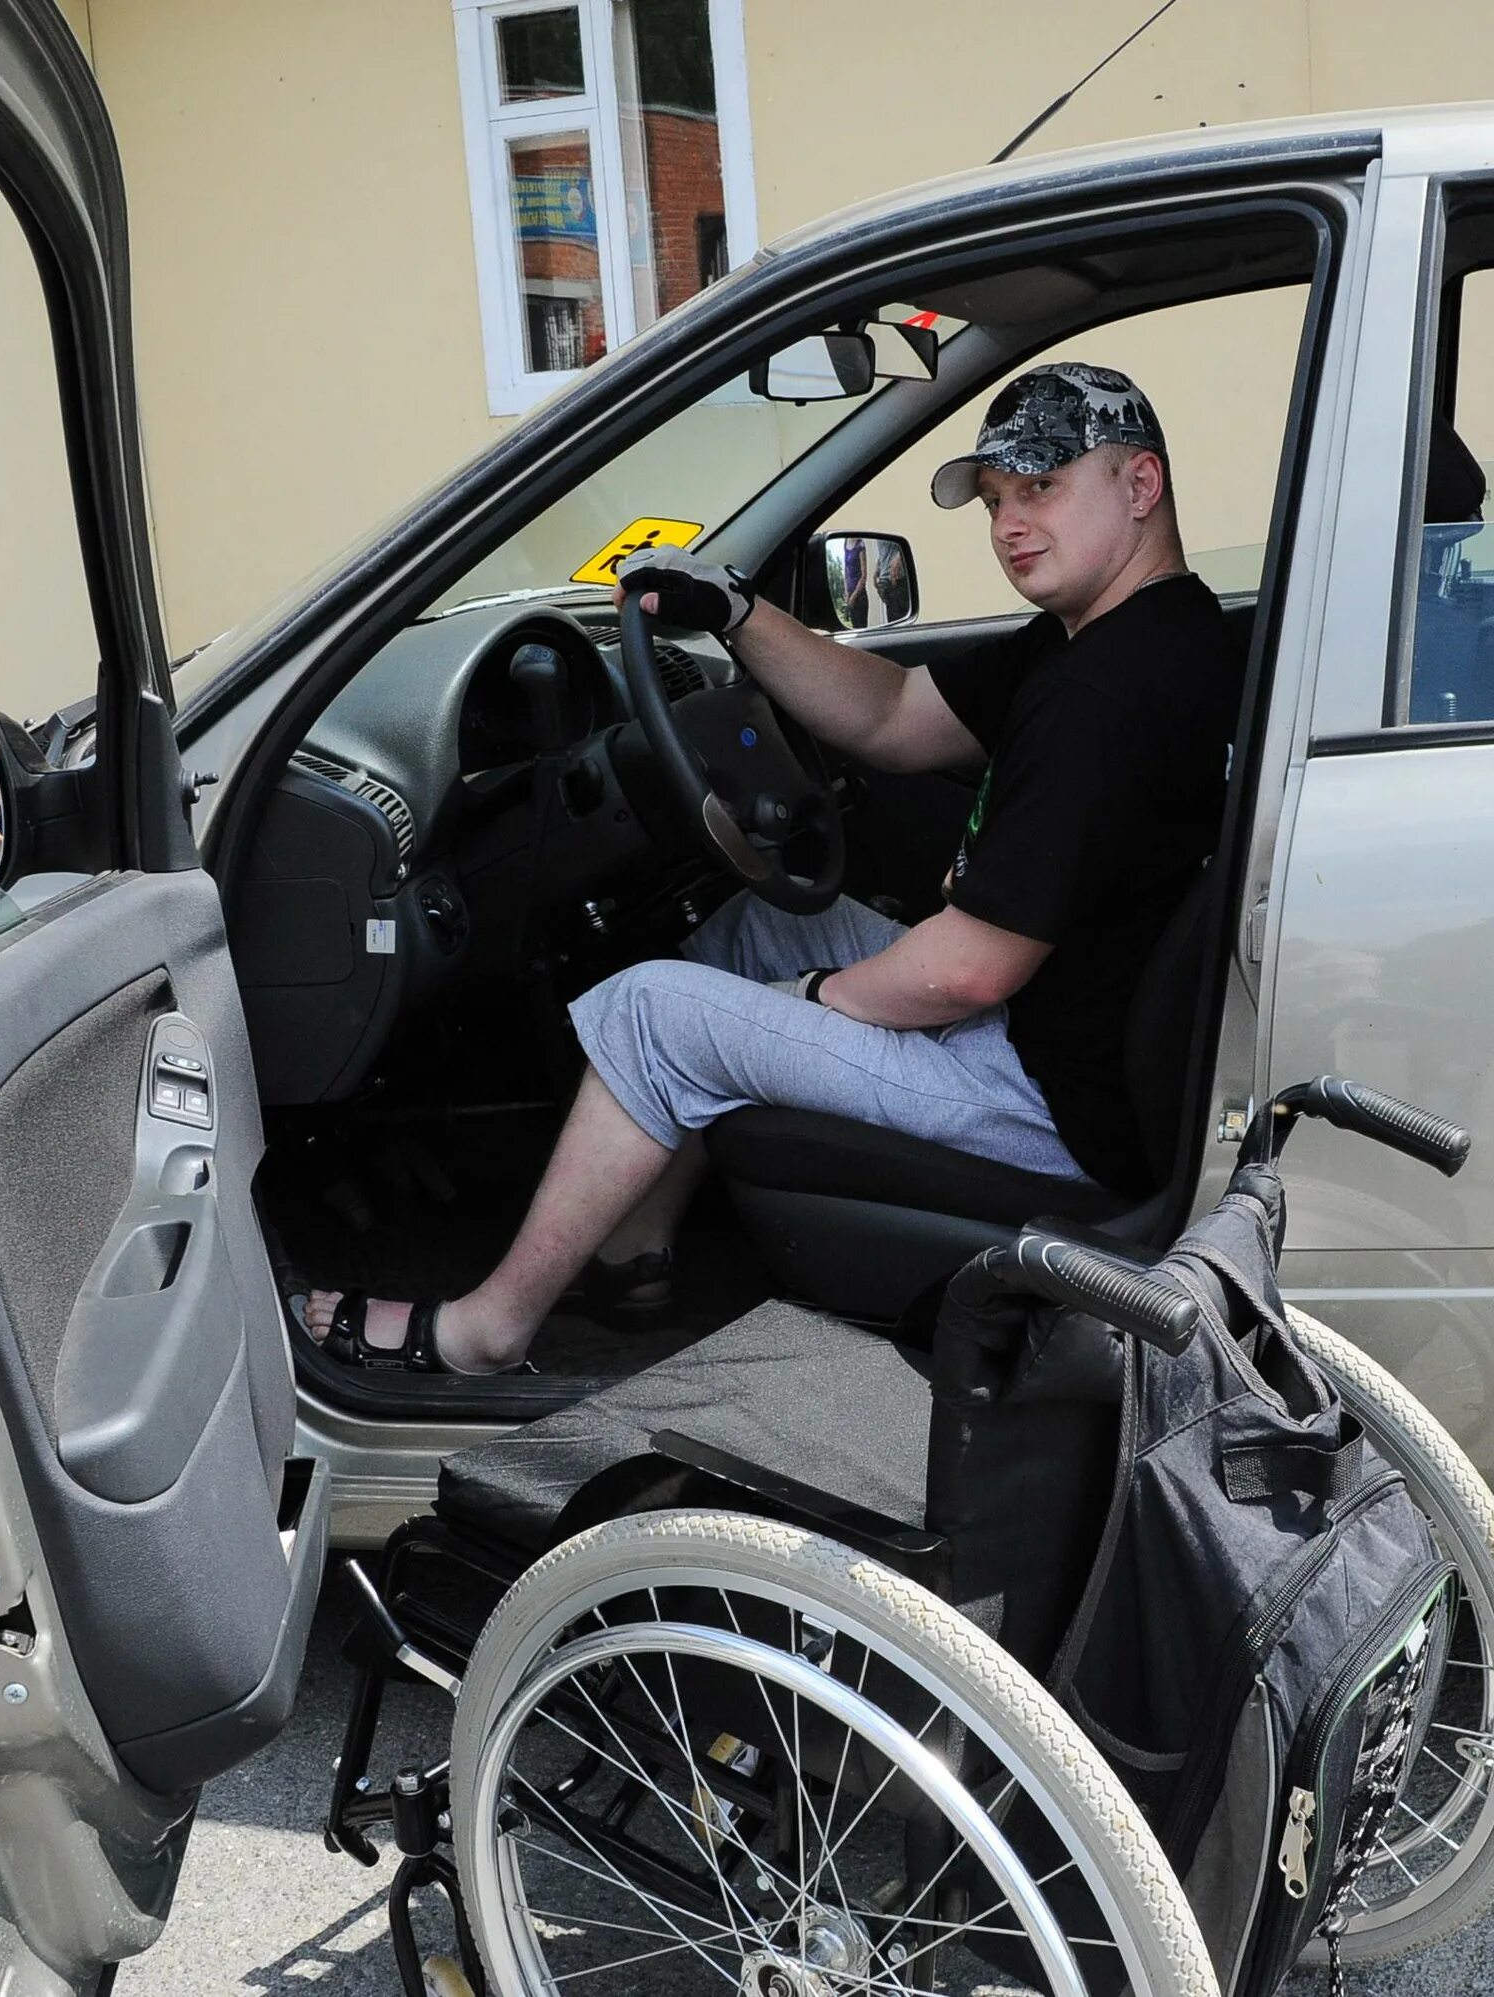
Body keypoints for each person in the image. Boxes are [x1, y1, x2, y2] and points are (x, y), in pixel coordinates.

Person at [296, 361, 1244, 1373]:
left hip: (1043, 1098)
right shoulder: (1123, 636)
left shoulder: (1107, 694)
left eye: (1042, 488)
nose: (1010, 523)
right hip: (1065, 1038)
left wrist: (819, 995)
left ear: (1138, 486)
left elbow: (970, 972)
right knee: (764, 924)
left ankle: (487, 1329)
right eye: (998, 501)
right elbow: (891, 716)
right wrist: (740, 614)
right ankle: (634, 1252)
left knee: (650, 1010)